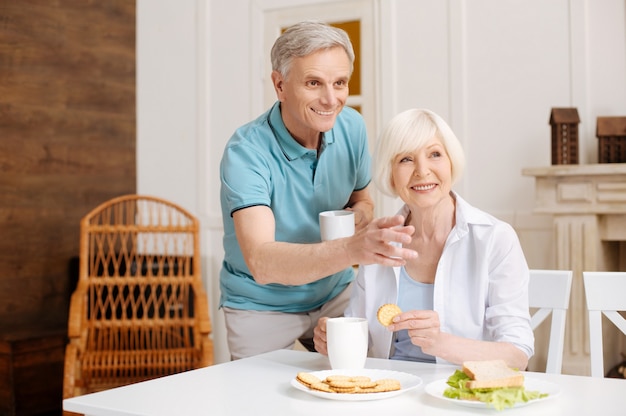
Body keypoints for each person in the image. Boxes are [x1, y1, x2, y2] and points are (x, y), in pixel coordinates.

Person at [219, 21, 418, 360]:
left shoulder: (352, 126)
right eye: (314, 83)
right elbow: (262, 262)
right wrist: (354, 249)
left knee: (358, 383)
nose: (331, 99)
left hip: (333, 293)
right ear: (280, 85)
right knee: (256, 404)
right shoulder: (246, 152)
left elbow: (362, 197)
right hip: (261, 303)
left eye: (339, 83)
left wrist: (361, 214)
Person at [313, 108, 534, 370]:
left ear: (451, 162)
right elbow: (360, 333)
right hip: (390, 390)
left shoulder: (495, 239)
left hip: (462, 395)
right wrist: (332, 338)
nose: (422, 171)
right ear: (391, 175)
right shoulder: (377, 240)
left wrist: (441, 343)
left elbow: (517, 354)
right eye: (406, 159)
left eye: (435, 154)